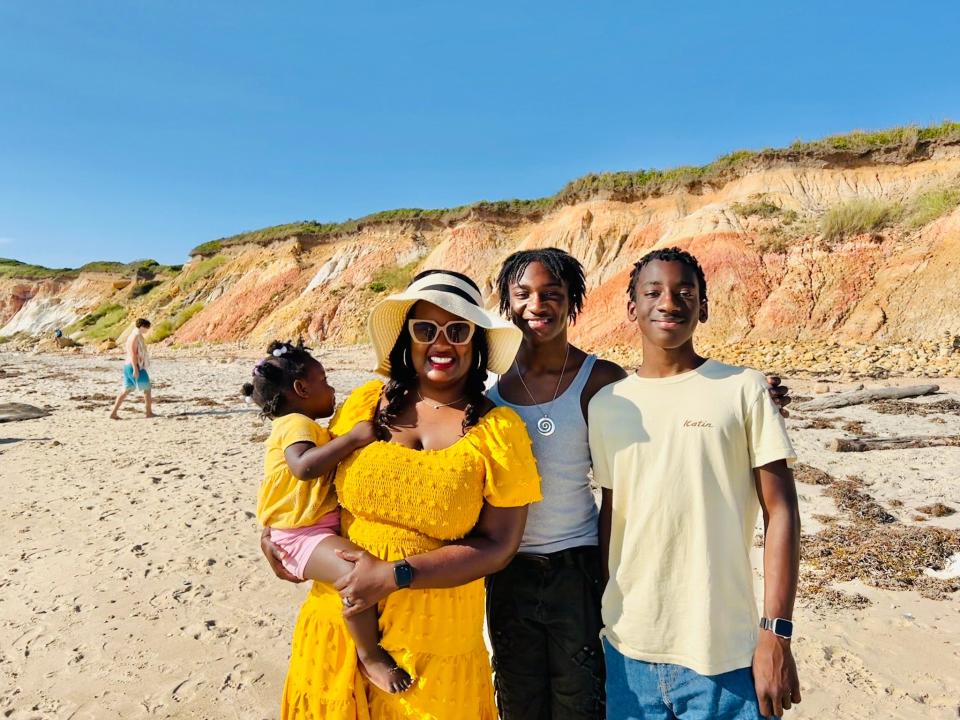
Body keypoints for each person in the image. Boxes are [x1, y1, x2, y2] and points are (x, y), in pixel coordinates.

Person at [486, 247, 792, 720]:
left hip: (586, 574)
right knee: (518, 703)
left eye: (551, 293)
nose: (537, 304)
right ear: (507, 301)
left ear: (573, 302)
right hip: (527, 580)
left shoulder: (603, 384)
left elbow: (669, 412)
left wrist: (753, 399)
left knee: (578, 705)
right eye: (523, 294)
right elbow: (617, 500)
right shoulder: (500, 390)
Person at [262, 270, 542, 719]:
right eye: (425, 329)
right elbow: (306, 478)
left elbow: (499, 546)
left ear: (477, 343)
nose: (442, 343)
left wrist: (395, 575)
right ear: (406, 339)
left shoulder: (500, 432)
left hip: (437, 641)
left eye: (458, 331)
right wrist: (274, 532)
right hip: (339, 621)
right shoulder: (364, 403)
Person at [589, 247, 801, 720]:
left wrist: (776, 634)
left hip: (725, 654)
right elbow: (613, 509)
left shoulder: (743, 389)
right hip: (627, 650)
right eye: (654, 292)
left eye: (686, 292)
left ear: (703, 307)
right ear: (631, 309)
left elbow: (781, 511)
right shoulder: (607, 404)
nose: (670, 302)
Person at [243, 339, 413, 694]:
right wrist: (353, 439)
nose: (332, 388)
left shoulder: (309, 426)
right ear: (301, 389)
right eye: (325, 380)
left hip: (309, 528)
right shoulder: (294, 424)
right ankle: (370, 656)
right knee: (358, 572)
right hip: (299, 534)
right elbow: (304, 468)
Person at [110, 318, 154, 419]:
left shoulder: (133, 336)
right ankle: (149, 413)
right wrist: (135, 369)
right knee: (147, 389)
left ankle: (113, 413)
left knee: (126, 390)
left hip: (128, 366)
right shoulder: (135, 337)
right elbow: (133, 354)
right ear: (142, 326)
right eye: (147, 328)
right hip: (135, 365)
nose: (147, 330)